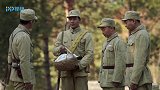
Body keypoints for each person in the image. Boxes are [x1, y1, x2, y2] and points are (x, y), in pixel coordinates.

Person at [53, 9, 94, 90]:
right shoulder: (62, 35)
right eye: (70, 19)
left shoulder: (87, 35)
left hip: (80, 72)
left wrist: (79, 65)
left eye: (74, 19)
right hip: (66, 72)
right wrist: (59, 49)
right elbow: (54, 51)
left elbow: (90, 53)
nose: (72, 21)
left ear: (79, 20)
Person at [122, 11, 153, 90]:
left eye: (126, 22)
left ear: (133, 21)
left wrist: (134, 81)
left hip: (140, 80)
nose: (125, 25)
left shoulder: (141, 35)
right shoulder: (134, 35)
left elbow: (140, 59)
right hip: (134, 78)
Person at [7, 9, 37, 90]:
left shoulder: (14, 33)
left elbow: (10, 56)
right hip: (22, 79)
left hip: (15, 75)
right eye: (33, 21)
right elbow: (24, 60)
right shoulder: (24, 37)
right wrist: (27, 81)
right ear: (30, 22)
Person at [97, 18, 126, 90]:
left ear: (111, 28)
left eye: (104, 28)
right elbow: (102, 63)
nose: (102, 31)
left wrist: (117, 79)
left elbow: (121, 62)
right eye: (101, 29)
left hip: (114, 82)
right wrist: (100, 78)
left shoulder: (118, 42)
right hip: (106, 81)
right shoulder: (106, 43)